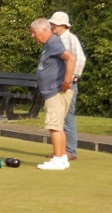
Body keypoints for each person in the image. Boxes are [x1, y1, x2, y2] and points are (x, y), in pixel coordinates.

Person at [30, 18, 75, 170]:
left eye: (34, 32)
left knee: (54, 126)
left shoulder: (53, 42)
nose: (33, 36)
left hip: (56, 91)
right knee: (58, 126)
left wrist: (67, 81)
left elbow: (71, 58)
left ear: (44, 30)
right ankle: (62, 158)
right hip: (52, 92)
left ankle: (57, 159)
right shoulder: (49, 44)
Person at [47, 12, 86, 161]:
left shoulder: (71, 39)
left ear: (63, 25)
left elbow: (80, 59)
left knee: (67, 117)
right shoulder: (55, 40)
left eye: (55, 24)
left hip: (67, 84)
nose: (53, 26)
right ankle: (60, 151)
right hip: (56, 84)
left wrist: (70, 80)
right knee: (58, 117)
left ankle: (70, 151)